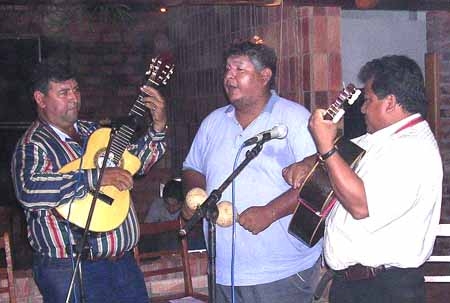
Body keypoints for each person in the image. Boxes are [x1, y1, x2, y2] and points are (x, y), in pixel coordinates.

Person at [282, 55, 443, 303]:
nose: (362, 108)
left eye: (368, 100)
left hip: (385, 289)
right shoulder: (381, 138)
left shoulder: (413, 148)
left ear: (390, 102)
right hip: (357, 286)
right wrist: (306, 164)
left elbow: (361, 205)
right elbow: (341, 152)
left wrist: (326, 148)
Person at [11, 58, 168, 303]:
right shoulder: (33, 145)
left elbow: (133, 163)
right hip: (71, 268)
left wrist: (157, 128)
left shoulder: (94, 132)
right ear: (41, 99)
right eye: (63, 92)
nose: (74, 98)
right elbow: (30, 190)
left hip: (123, 264)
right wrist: (95, 177)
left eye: (75, 90)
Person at [182, 40, 322, 303]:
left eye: (239, 69)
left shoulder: (293, 118)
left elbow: (320, 180)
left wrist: (271, 212)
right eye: (227, 69)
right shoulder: (213, 122)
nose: (229, 77)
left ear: (265, 75)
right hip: (223, 270)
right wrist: (194, 194)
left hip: (281, 272)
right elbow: (192, 167)